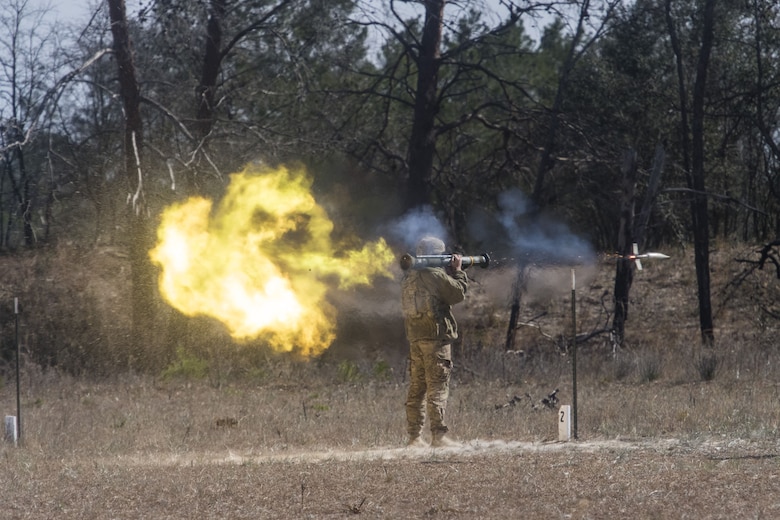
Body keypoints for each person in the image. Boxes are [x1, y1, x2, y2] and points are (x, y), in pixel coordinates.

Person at [401, 235, 469, 448]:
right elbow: (458, 294)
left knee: (417, 388)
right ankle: (438, 436)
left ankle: (414, 437)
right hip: (436, 339)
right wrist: (458, 270)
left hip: (416, 338)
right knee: (438, 387)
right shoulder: (435, 275)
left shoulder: (409, 277)